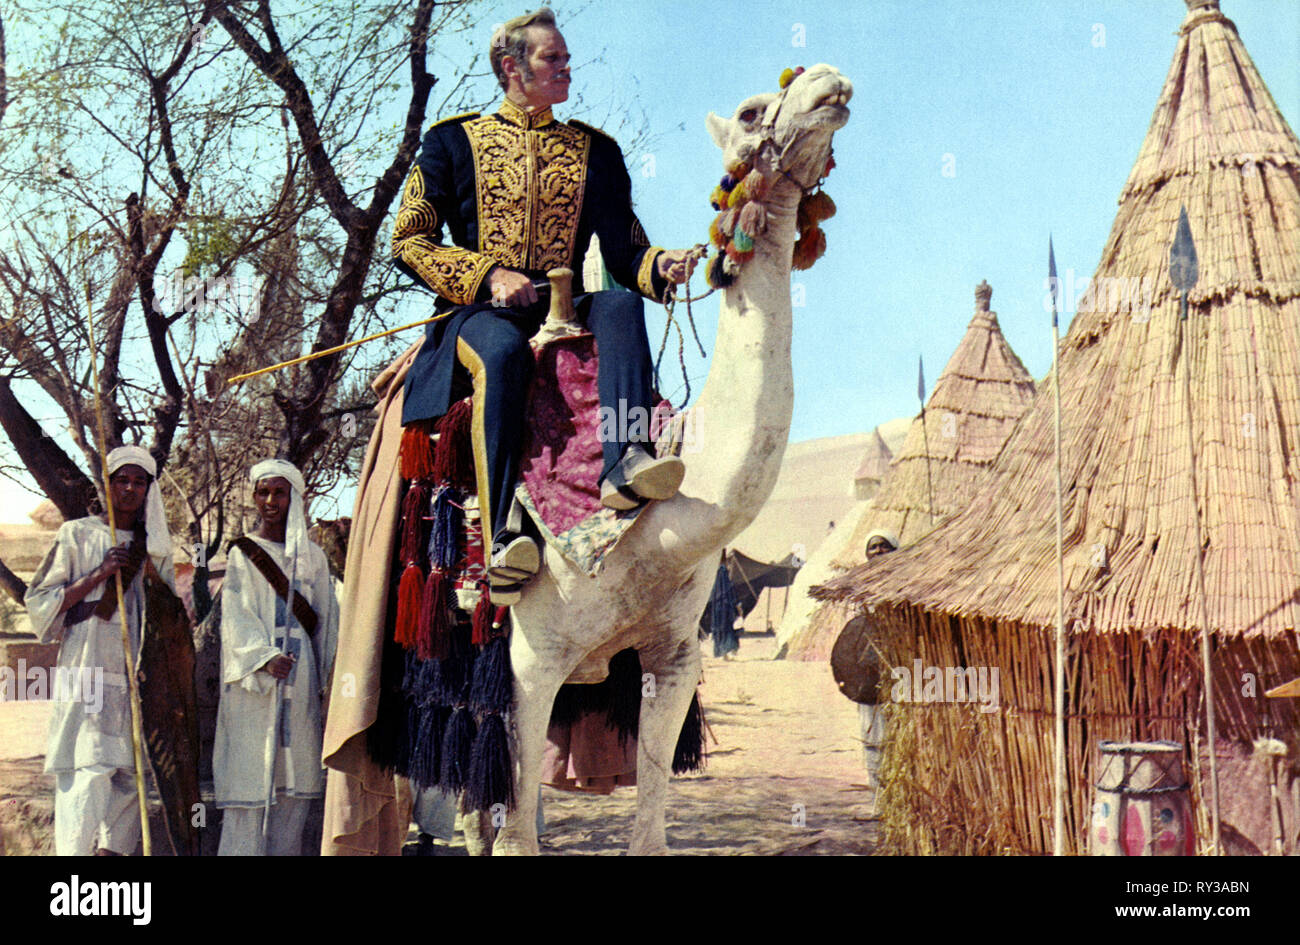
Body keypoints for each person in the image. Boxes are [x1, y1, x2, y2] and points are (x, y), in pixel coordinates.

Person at [392, 7, 697, 602]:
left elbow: (624, 246)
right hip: (480, 312)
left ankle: (625, 460)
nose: (567, 70)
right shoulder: (452, 142)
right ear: (512, 68)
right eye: (552, 60)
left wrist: (661, 266)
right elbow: (409, 240)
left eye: (565, 59)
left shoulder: (595, 152)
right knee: (505, 355)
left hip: (564, 302)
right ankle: (503, 529)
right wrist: (487, 275)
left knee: (619, 308)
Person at [25, 445, 175, 856]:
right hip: (87, 671)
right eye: (121, 480)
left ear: (148, 490)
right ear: (107, 485)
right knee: (87, 774)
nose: (129, 489)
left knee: (130, 780)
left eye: (138, 482)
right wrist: (100, 574)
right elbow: (40, 602)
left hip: (134, 681)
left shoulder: (155, 547)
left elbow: (170, 616)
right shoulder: (78, 534)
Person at [213, 460, 339, 855]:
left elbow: (327, 623)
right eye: (263, 492)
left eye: (279, 492)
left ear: (294, 498)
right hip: (255, 690)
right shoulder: (243, 554)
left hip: (299, 688)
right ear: (254, 496)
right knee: (248, 796)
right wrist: (264, 658)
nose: (270, 500)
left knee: (293, 796)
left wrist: (329, 683)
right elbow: (235, 617)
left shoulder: (314, 558)